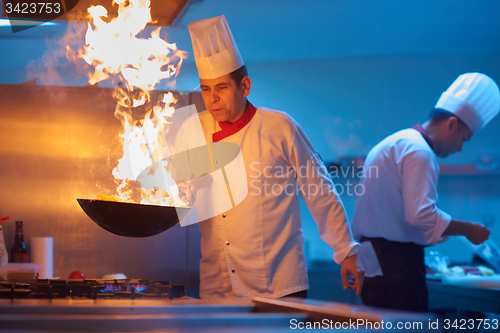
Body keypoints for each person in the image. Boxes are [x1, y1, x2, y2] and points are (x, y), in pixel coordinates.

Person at [175, 15, 364, 299]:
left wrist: (346, 250)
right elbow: (177, 194)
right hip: (218, 285)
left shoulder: (280, 126)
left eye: (222, 87)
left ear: (245, 86)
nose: (212, 98)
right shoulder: (192, 129)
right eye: (205, 89)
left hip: (278, 284)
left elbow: (319, 189)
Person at [351, 72, 500, 312]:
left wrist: (437, 232)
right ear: (451, 124)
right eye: (464, 138)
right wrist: (468, 229)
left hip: (375, 263)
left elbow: (399, 215)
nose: (461, 148)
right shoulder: (420, 151)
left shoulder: (395, 142)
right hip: (395, 266)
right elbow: (420, 215)